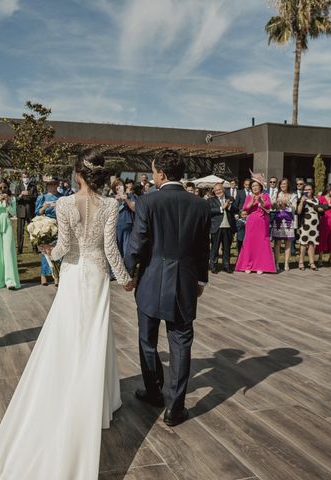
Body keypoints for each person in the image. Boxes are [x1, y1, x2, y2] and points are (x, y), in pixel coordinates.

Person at [0, 150, 132, 480]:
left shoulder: (63, 204)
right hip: (99, 274)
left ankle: (71, 386)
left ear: (77, 175)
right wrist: (126, 278)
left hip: (74, 275)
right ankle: (97, 402)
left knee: (69, 335)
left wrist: (48, 252)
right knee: (95, 335)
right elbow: (111, 248)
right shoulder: (110, 206)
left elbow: (62, 247)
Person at [124, 149, 210, 428]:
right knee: (181, 343)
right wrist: (200, 280)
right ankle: (176, 407)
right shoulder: (199, 204)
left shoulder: (147, 201)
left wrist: (126, 273)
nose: (152, 175)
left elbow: (137, 243)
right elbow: (202, 247)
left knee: (147, 340)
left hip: (150, 280)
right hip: (185, 281)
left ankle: (153, 392)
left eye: (153, 170)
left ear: (161, 173)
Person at [235, 173, 276, 274]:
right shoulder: (249, 196)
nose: (254, 187)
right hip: (251, 221)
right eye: (253, 186)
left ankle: (260, 265)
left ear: (260, 186)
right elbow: (245, 208)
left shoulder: (265, 195)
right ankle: (248, 265)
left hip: (262, 221)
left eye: (256, 185)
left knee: (262, 243)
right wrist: (252, 202)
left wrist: (261, 201)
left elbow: (268, 205)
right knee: (249, 242)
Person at [0, 180, 20, 290]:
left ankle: (10, 281)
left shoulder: (12, 199)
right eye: (0, 188)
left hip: (7, 226)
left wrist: (7, 202)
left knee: (9, 253)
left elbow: (13, 213)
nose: (2, 189)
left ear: (8, 187)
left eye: (5, 187)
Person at [35, 177, 61, 286]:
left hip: (59, 225)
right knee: (45, 250)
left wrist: (59, 207)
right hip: (45, 225)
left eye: (54, 185)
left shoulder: (62, 197)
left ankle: (56, 276)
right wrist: (44, 208)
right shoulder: (43, 197)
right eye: (50, 185)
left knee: (57, 250)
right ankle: (44, 275)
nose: (52, 187)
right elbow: (37, 212)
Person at [208, 182, 237, 273]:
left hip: (228, 226)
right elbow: (209, 211)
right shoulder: (211, 200)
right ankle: (213, 265)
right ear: (214, 191)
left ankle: (226, 265)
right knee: (215, 247)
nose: (218, 191)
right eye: (216, 190)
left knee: (227, 247)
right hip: (216, 227)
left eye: (220, 189)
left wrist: (229, 206)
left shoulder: (230, 199)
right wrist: (221, 208)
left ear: (223, 189)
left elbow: (236, 209)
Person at [272, 178, 297, 271]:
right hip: (278, 219)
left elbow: (294, 208)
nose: (283, 185)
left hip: (288, 221)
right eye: (281, 184)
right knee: (277, 243)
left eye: (285, 184)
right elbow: (272, 206)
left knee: (288, 243)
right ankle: (277, 263)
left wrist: (287, 203)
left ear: (288, 185)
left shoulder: (293, 195)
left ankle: (286, 263)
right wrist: (276, 202)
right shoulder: (277, 194)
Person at [297, 184, 323, 271]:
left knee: (312, 243)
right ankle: (301, 262)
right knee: (304, 244)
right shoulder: (302, 199)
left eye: (309, 189)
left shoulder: (316, 199)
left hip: (315, 224)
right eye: (306, 189)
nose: (308, 191)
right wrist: (301, 202)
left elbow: (320, 210)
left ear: (312, 190)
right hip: (305, 224)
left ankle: (311, 262)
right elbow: (299, 211)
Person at [14, 172, 39, 255]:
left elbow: (36, 197)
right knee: (20, 231)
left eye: (27, 177)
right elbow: (16, 199)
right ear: (21, 178)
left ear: (29, 178)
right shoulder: (18, 186)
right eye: (24, 177)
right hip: (21, 211)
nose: (25, 178)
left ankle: (35, 248)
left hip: (30, 211)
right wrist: (21, 195)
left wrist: (29, 194)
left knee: (32, 230)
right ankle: (19, 249)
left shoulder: (33, 186)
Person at [316, 183, 331, 267]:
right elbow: (318, 208)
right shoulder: (321, 198)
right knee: (323, 238)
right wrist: (328, 206)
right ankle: (320, 258)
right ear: (328, 189)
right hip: (324, 221)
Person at [111, 178, 136, 258]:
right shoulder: (110, 198)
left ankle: (127, 268)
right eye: (117, 185)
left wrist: (126, 199)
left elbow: (134, 208)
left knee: (126, 250)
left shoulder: (130, 196)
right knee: (115, 250)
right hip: (114, 226)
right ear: (114, 188)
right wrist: (116, 201)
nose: (119, 187)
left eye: (120, 185)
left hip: (127, 226)